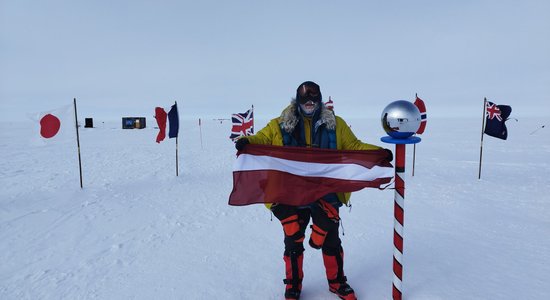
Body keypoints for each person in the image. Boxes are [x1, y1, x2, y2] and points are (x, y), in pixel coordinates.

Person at [235, 81, 392, 300]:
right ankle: (293, 285)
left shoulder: (336, 124)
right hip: (292, 192)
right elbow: (260, 139)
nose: (309, 104)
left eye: (313, 100)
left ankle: (337, 282)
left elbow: (354, 146)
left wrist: (378, 153)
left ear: (319, 101)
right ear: (297, 101)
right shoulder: (279, 125)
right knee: (293, 240)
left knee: (331, 240)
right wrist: (247, 142)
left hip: (325, 190)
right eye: (305, 100)